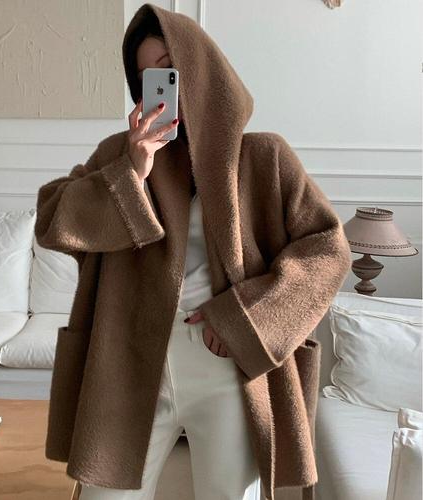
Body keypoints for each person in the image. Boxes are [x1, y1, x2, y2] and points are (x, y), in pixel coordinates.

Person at [35, 4, 352, 500]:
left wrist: (244, 320)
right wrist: (131, 173)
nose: (159, 85)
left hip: (226, 364)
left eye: (169, 67)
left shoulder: (265, 157)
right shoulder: (120, 153)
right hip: (130, 362)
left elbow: (328, 249)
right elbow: (53, 222)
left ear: (200, 67)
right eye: (147, 77)